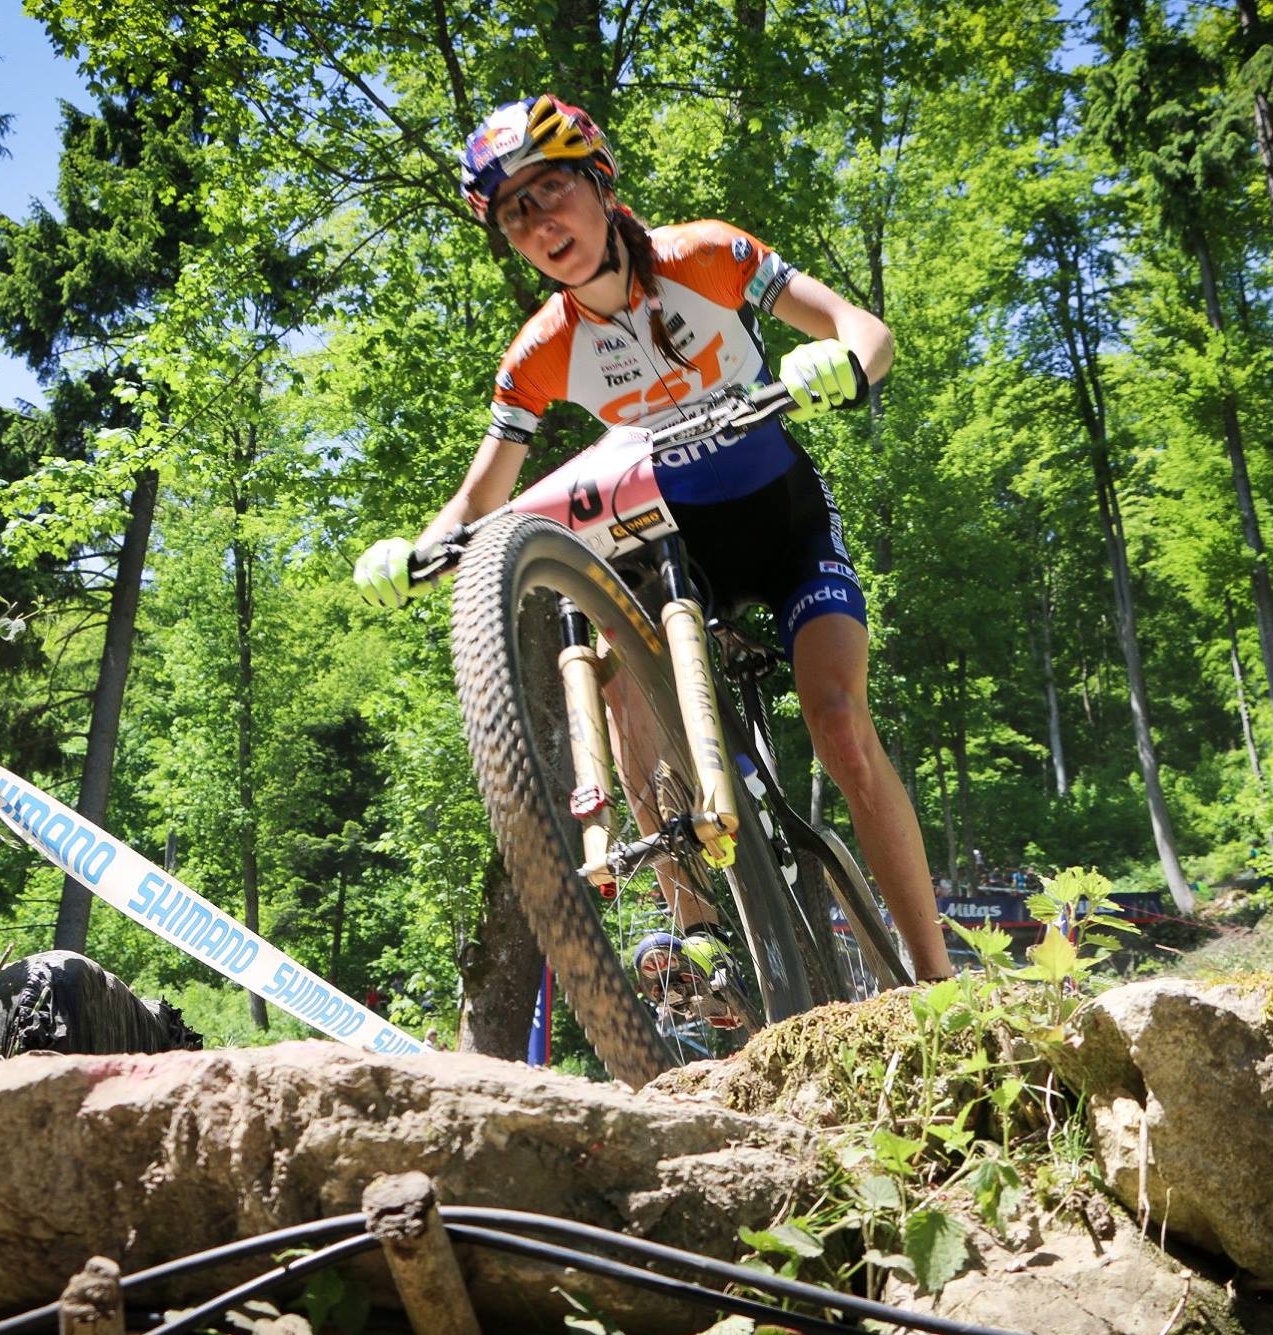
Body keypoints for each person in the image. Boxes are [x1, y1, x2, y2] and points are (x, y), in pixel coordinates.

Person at [353, 94, 953, 1002]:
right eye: (515, 211)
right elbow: (479, 498)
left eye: (551, 190)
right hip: (674, 547)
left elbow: (865, 329)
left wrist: (839, 363)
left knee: (839, 725)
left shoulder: (703, 255)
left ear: (600, 182)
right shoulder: (540, 351)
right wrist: (409, 550)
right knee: (616, 672)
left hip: (782, 524)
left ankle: (936, 978)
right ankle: (698, 939)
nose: (539, 221)